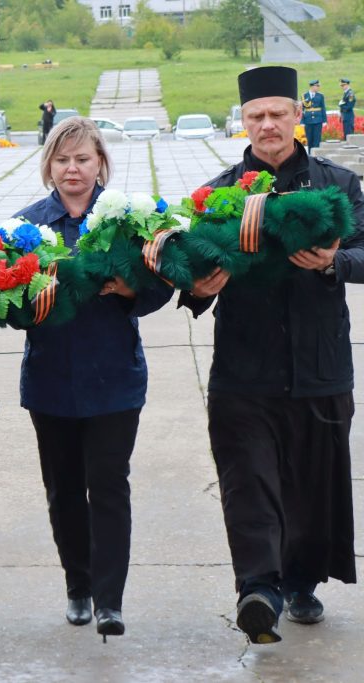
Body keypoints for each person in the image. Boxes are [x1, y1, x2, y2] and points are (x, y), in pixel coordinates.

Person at [179, 65, 363, 645]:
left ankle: (302, 582)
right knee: (248, 480)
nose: (267, 125)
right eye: (255, 116)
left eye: (276, 114)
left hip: (320, 362)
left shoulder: (339, 185)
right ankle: (258, 588)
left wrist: (337, 263)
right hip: (243, 368)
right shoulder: (218, 193)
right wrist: (198, 288)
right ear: (244, 122)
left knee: (313, 481)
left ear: (296, 118)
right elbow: (190, 265)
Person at [14, 117, 173, 642]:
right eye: (62, 160)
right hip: (52, 381)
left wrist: (131, 290)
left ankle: (110, 599)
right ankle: (78, 586)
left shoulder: (126, 220)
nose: (72, 169)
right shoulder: (27, 227)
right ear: (48, 166)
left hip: (114, 380)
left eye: (83, 159)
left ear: (100, 162)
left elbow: (160, 288)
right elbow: (8, 307)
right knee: (63, 490)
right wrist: (30, 299)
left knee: (108, 486)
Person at [301, 79, 325, 151]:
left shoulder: (320, 96)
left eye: (318, 86)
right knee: (310, 139)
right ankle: (310, 156)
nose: (318, 87)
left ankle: (316, 156)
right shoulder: (304, 96)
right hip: (308, 120)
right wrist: (302, 121)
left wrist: (324, 120)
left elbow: (323, 108)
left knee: (317, 139)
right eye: (316, 86)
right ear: (312, 87)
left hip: (318, 120)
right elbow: (302, 109)